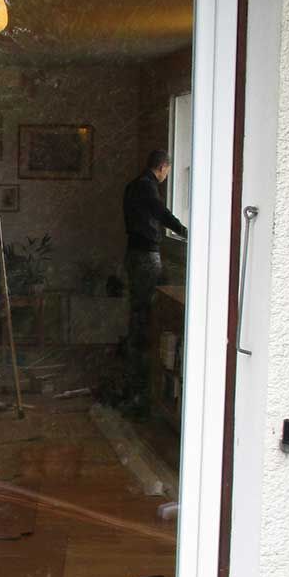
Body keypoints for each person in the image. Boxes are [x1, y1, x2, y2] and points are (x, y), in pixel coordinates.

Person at [120, 150, 188, 418]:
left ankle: (136, 375)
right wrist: (184, 230)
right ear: (162, 167)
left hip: (135, 253)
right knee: (145, 313)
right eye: (167, 171)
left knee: (139, 311)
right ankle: (141, 382)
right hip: (145, 255)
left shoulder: (132, 186)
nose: (166, 176)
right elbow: (161, 213)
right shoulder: (146, 187)